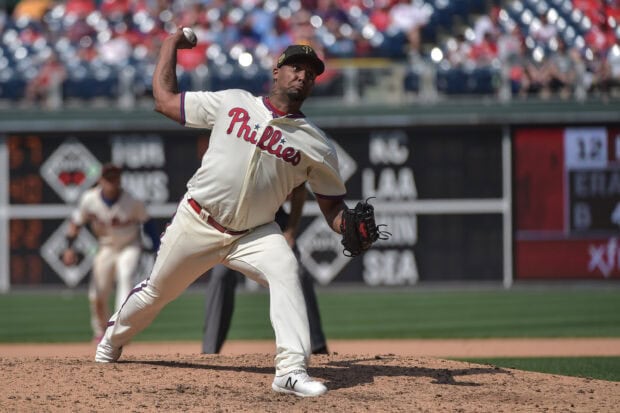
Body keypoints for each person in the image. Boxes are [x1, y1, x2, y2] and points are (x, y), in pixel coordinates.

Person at [95, 30, 352, 399]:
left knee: (287, 271)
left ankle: (291, 370)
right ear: (276, 71)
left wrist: (350, 226)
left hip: (255, 233)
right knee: (156, 293)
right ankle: (111, 340)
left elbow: (332, 207)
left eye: (311, 72)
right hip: (198, 220)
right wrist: (170, 45)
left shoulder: (316, 144)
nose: (303, 75)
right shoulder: (234, 102)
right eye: (295, 67)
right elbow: (165, 101)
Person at [202, 183, 328, 355]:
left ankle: (318, 349)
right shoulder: (233, 157)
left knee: (298, 273)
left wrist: (290, 232)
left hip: (273, 219)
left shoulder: (280, 156)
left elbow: (299, 189)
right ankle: (209, 353)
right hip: (236, 221)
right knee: (221, 274)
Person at [62, 163, 160, 342]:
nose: (111, 182)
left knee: (125, 278)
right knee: (97, 294)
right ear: (100, 180)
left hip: (130, 246)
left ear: (120, 180)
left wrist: (156, 248)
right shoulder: (89, 199)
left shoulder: (132, 201)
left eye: (115, 178)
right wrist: (69, 247)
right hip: (106, 247)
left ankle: (119, 331)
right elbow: (76, 223)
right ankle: (101, 332)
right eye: (108, 179)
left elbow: (149, 224)